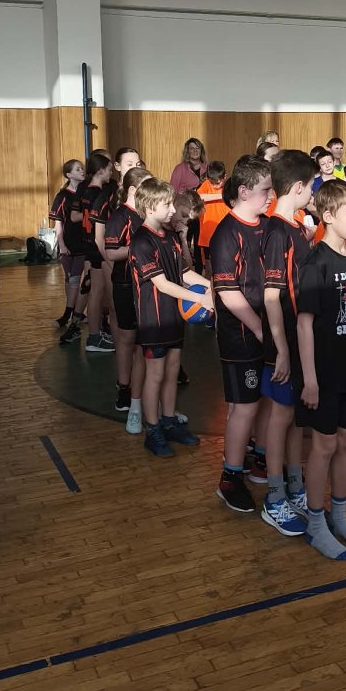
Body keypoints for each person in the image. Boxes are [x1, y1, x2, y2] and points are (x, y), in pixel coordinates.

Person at [295, 180, 346, 560]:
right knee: (323, 445)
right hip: (323, 372)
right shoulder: (316, 262)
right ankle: (315, 522)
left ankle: (339, 515)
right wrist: (310, 379)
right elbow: (304, 323)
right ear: (328, 216)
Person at [129, 177, 211, 457]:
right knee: (155, 374)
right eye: (167, 205)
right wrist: (199, 298)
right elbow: (162, 284)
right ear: (151, 207)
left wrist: (212, 287)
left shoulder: (171, 237)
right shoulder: (141, 241)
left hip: (174, 317)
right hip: (154, 320)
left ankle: (169, 421)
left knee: (172, 371)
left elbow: (183, 273)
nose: (173, 210)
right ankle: (152, 430)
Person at [259, 150, 316, 537]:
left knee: (295, 417)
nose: (312, 193)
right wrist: (281, 349)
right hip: (284, 342)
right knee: (280, 418)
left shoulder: (292, 229)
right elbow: (271, 296)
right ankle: (275, 497)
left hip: (298, 339)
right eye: (311, 187)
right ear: (298, 187)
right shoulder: (278, 231)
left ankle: (295, 486)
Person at [211, 156, 272, 513]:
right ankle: (230, 478)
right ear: (245, 191)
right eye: (265, 190)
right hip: (240, 336)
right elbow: (228, 293)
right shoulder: (226, 233)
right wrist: (262, 329)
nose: (271, 196)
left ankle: (259, 457)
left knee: (262, 400)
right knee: (243, 407)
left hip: (267, 331)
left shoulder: (268, 226)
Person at [105, 165, 152, 433]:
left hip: (146, 284)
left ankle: (142, 392)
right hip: (125, 283)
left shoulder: (148, 212)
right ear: (133, 190)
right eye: (146, 186)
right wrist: (141, 246)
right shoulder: (120, 216)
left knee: (143, 342)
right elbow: (111, 253)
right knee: (127, 338)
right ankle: (124, 387)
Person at [68, 152, 114, 353]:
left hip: (90, 243)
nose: (111, 173)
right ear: (101, 170)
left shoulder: (86, 191)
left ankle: (96, 334)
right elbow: (97, 225)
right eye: (109, 169)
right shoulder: (97, 194)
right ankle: (95, 337)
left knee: (96, 290)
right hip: (97, 246)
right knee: (98, 292)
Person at [50, 159, 88, 330]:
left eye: (82, 168)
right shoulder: (62, 196)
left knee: (77, 278)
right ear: (69, 174)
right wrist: (62, 245)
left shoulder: (85, 193)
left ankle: (70, 313)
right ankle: (72, 310)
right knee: (70, 278)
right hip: (68, 243)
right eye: (77, 169)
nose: (82, 171)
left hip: (83, 243)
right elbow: (58, 223)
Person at [197, 161, 228, 272]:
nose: (215, 185)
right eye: (212, 182)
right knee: (208, 263)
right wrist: (221, 195)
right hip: (208, 231)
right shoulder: (206, 184)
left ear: (225, 177)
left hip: (224, 232)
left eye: (218, 183)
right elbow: (199, 197)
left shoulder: (228, 187)